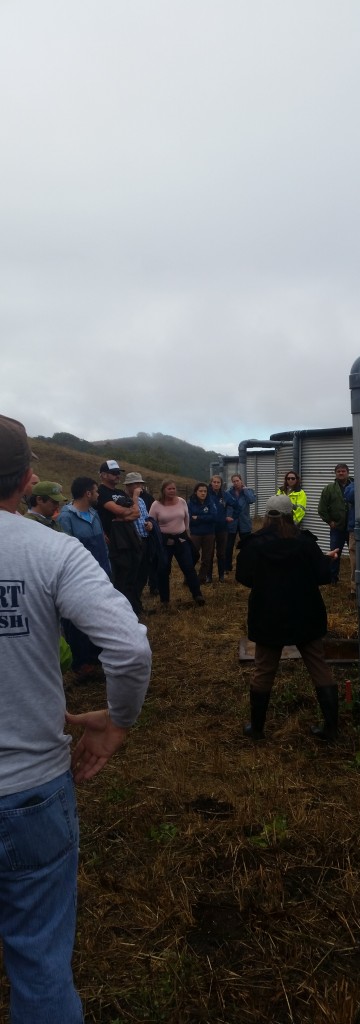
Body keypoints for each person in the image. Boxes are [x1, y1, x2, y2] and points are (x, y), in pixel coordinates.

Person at [0, 414, 151, 1024]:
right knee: (39, 964)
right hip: (30, 790)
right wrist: (117, 721)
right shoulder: (48, 548)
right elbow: (130, 648)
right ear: (29, 478)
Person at [236, 494, 340, 742]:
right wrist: (325, 561)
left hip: (268, 615)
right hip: (306, 613)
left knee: (264, 669)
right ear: (290, 514)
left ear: (267, 515)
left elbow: (244, 577)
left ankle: (258, 730)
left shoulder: (254, 543)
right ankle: (331, 729)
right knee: (318, 666)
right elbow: (324, 576)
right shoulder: (305, 542)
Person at [58, 476, 112, 681]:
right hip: (78, 578)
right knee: (77, 621)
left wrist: (107, 569)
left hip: (100, 573)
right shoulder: (66, 517)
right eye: (96, 491)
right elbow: (65, 550)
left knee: (98, 615)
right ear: (87, 493)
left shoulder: (93, 513)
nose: (98, 494)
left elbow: (102, 545)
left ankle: (94, 655)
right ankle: (80, 663)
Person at [148, 479, 205, 607]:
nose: (172, 491)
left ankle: (197, 594)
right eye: (169, 489)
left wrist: (186, 532)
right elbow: (151, 520)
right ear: (163, 490)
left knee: (189, 568)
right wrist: (151, 527)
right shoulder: (156, 505)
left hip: (181, 539)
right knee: (163, 570)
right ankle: (165, 600)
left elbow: (186, 517)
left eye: (174, 488)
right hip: (164, 542)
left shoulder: (181, 501)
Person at [96, 460, 143, 614]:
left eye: (118, 473)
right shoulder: (101, 492)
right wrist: (125, 512)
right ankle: (120, 612)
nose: (117, 476)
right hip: (114, 541)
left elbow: (136, 514)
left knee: (132, 574)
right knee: (120, 577)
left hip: (128, 538)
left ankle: (132, 609)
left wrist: (125, 513)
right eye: (113, 473)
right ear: (103, 475)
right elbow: (119, 510)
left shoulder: (121, 493)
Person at [124, 471, 154, 613]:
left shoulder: (142, 501)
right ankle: (132, 607)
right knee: (133, 575)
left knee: (143, 574)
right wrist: (135, 497)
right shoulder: (123, 500)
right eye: (137, 484)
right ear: (129, 486)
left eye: (141, 484)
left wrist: (150, 525)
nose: (140, 487)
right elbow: (132, 514)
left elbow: (146, 517)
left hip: (145, 540)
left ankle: (137, 604)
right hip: (133, 543)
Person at [317, 462, 352, 584]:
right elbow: (322, 508)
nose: (341, 473)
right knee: (335, 553)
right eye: (339, 471)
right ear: (335, 473)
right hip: (337, 528)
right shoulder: (329, 489)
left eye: (343, 471)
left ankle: (357, 579)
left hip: (353, 527)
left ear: (348, 472)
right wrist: (330, 521)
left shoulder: (356, 486)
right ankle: (332, 579)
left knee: (355, 555)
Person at [224, 474, 256, 571]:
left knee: (246, 546)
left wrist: (245, 490)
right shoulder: (228, 493)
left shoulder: (248, 491)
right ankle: (227, 567)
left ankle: (246, 566)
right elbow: (224, 506)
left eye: (237, 481)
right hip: (232, 523)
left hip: (244, 523)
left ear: (241, 481)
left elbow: (252, 500)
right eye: (234, 481)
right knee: (228, 546)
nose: (236, 483)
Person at [188, 481, 216, 583]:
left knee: (207, 557)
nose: (203, 493)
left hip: (209, 533)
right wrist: (205, 518)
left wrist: (198, 517)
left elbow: (214, 517)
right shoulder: (190, 503)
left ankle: (201, 578)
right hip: (195, 534)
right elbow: (190, 519)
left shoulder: (210, 502)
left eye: (205, 491)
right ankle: (189, 577)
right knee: (193, 556)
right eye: (200, 491)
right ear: (196, 492)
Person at [207, 474, 230, 583]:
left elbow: (236, 505)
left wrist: (231, 516)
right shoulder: (206, 494)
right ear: (211, 483)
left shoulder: (225, 495)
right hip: (210, 528)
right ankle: (209, 576)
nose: (216, 484)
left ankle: (221, 576)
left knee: (221, 553)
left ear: (221, 484)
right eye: (214, 482)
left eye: (218, 482)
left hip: (222, 528)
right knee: (209, 553)